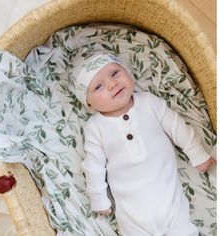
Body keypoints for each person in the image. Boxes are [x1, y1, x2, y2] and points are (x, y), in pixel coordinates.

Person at [70, 51, 216, 236]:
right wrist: (98, 198)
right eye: (98, 86)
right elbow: (93, 166)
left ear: (128, 73)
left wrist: (197, 153)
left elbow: (176, 126)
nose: (112, 84)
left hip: (170, 202)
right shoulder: (95, 128)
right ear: (89, 104)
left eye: (115, 73)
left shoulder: (149, 102)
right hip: (132, 215)